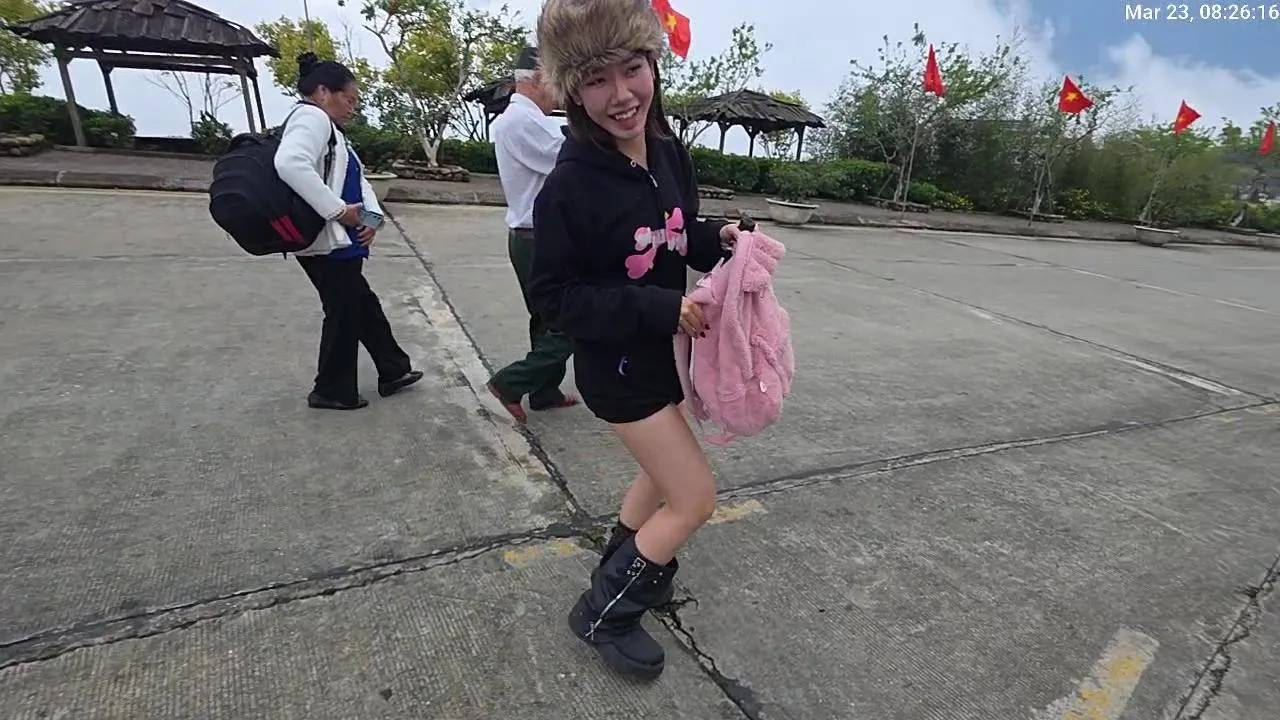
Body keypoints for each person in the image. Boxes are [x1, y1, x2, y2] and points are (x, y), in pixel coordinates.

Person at [529, 0, 743, 681]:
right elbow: (555, 297)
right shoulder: (568, 186)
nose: (621, 95)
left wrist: (720, 238)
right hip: (617, 368)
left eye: (632, 69)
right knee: (694, 498)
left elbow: (680, 231)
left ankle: (622, 564)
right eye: (596, 80)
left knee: (659, 474)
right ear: (572, 91)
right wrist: (658, 307)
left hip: (664, 357)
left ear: (653, 63)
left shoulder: (668, 151)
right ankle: (603, 613)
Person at [275, 52, 423, 410]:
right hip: (326, 242)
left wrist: (371, 219)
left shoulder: (331, 128)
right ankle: (331, 389)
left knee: (361, 304)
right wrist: (339, 211)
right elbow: (289, 163)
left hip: (340, 240)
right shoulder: (312, 118)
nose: (352, 108)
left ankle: (393, 369)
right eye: (349, 99)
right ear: (324, 92)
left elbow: (356, 179)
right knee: (344, 311)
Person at [485, 45, 578, 424]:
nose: (559, 93)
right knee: (574, 320)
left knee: (545, 318)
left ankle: (545, 391)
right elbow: (571, 159)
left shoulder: (524, 119)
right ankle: (510, 383)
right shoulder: (522, 122)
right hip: (540, 239)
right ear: (539, 79)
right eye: (557, 83)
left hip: (530, 236)